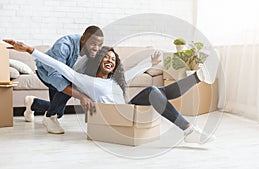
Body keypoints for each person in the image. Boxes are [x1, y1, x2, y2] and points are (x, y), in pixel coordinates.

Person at [4, 40, 218, 144]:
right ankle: (189, 128)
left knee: (157, 91)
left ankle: (197, 79)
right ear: (98, 60)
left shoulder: (116, 81)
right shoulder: (85, 80)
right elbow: (58, 66)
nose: (110, 61)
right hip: (113, 114)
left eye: (113, 60)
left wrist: (150, 62)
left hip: (127, 109)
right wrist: (30, 50)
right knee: (154, 90)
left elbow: (135, 71)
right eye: (106, 58)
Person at [19, 26, 104, 134]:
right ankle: (49, 117)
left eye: (100, 45)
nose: (97, 48)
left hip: (65, 75)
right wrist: (81, 96)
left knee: (59, 111)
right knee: (64, 95)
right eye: (93, 44)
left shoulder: (93, 53)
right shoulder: (64, 45)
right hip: (46, 72)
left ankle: (33, 103)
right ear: (83, 39)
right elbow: (55, 75)